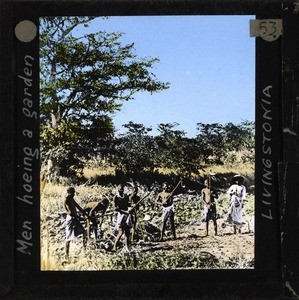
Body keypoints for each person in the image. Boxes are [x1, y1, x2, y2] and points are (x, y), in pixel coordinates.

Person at [64, 187, 88, 259]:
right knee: (68, 238)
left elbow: (78, 206)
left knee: (84, 232)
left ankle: (84, 251)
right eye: (73, 192)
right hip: (71, 220)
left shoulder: (71, 198)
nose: (74, 194)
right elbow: (70, 213)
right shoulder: (66, 200)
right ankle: (66, 255)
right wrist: (80, 218)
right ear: (69, 192)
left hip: (75, 219)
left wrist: (86, 215)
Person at [112, 183, 135, 252]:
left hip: (127, 215)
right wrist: (125, 212)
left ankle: (127, 247)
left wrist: (131, 205)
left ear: (123, 189)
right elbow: (115, 208)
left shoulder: (125, 196)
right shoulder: (116, 197)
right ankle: (114, 247)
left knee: (127, 232)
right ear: (117, 190)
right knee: (120, 232)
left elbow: (127, 204)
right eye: (119, 190)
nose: (120, 191)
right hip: (121, 215)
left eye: (122, 189)